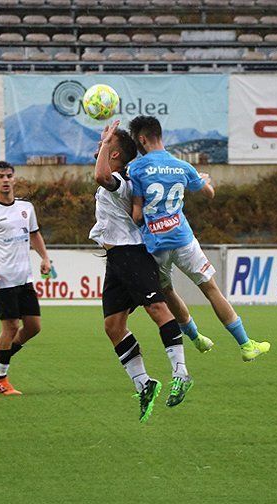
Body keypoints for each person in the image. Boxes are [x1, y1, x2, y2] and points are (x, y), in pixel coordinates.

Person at [128, 115, 271, 362]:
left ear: (141, 139)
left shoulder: (137, 169)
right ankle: (246, 345)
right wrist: (205, 180)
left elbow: (137, 214)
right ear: (159, 135)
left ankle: (197, 339)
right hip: (183, 240)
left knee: (168, 292)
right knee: (211, 290)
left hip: (155, 245)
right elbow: (209, 194)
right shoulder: (182, 167)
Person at [92, 121, 197, 421]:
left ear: (114, 156)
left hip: (132, 253)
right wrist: (106, 142)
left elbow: (100, 175)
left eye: (105, 149)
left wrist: (108, 141)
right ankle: (144, 384)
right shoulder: (119, 178)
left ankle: (182, 372)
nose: (99, 150)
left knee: (158, 309)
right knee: (113, 327)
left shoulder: (120, 182)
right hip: (117, 259)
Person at [0, 161, 51, 396]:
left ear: (14, 180)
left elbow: (34, 234)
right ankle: (0, 380)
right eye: (0, 176)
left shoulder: (26, 207)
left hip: (24, 278)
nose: (5, 180)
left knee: (34, 327)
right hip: (3, 280)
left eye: (8, 176)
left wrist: (45, 258)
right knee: (11, 327)